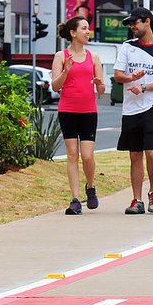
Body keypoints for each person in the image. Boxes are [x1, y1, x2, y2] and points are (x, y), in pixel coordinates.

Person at [113, 7, 153, 214]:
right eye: (130, 24)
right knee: (135, 155)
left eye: (135, 23)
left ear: (147, 22)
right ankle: (136, 199)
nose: (132, 27)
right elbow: (118, 74)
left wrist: (145, 86)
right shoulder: (127, 47)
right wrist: (132, 78)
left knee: (152, 153)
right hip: (131, 108)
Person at [51, 16, 105, 215]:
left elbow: (101, 89)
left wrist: (99, 83)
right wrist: (66, 72)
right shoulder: (61, 56)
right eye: (84, 28)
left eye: (88, 28)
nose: (87, 31)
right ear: (73, 33)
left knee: (88, 156)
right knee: (72, 154)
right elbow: (55, 86)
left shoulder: (94, 57)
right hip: (68, 110)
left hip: (89, 111)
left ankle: (90, 187)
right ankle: (74, 199)